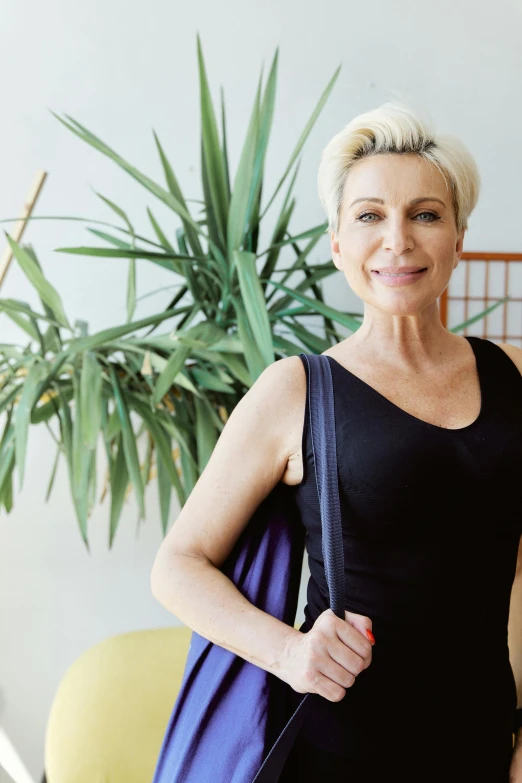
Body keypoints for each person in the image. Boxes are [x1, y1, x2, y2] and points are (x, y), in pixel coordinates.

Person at [150, 101, 522, 782]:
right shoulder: (297, 390)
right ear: (338, 244)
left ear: (460, 236)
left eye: (426, 214)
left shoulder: (512, 374)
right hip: (339, 755)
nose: (398, 240)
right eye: (371, 215)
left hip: (484, 749)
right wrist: (290, 653)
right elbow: (177, 564)